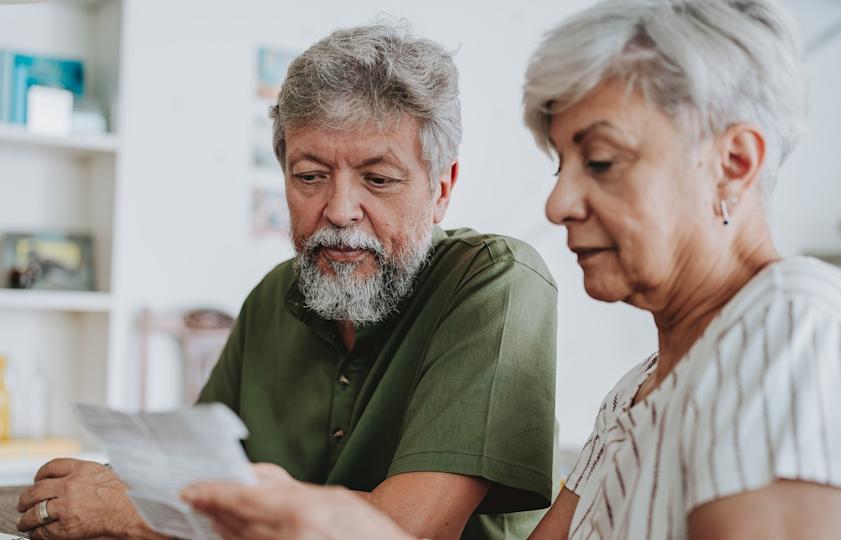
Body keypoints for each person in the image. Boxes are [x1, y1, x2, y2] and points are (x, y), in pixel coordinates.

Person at [178, 0, 841, 538]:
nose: (557, 203)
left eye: (603, 160)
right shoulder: (636, 398)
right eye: (561, 163)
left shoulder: (797, 334)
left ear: (734, 163)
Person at [15, 23, 558, 540]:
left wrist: (144, 513)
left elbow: (405, 530)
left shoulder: (497, 281)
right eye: (310, 177)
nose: (340, 209)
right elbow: (190, 475)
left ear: (442, 189)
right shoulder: (277, 294)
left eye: (378, 179)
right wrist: (110, 489)